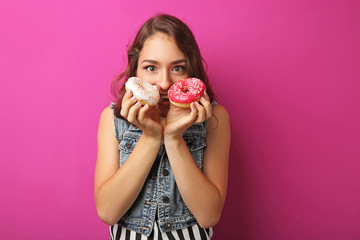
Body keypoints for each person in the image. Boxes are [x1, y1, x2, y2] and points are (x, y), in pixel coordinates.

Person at [95, 14, 231, 240]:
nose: (165, 83)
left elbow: (208, 216)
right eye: (151, 68)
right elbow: (108, 211)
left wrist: (174, 138)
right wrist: (150, 137)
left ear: (192, 71)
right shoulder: (113, 119)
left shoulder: (215, 118)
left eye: (178, 68)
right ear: (135, 71)